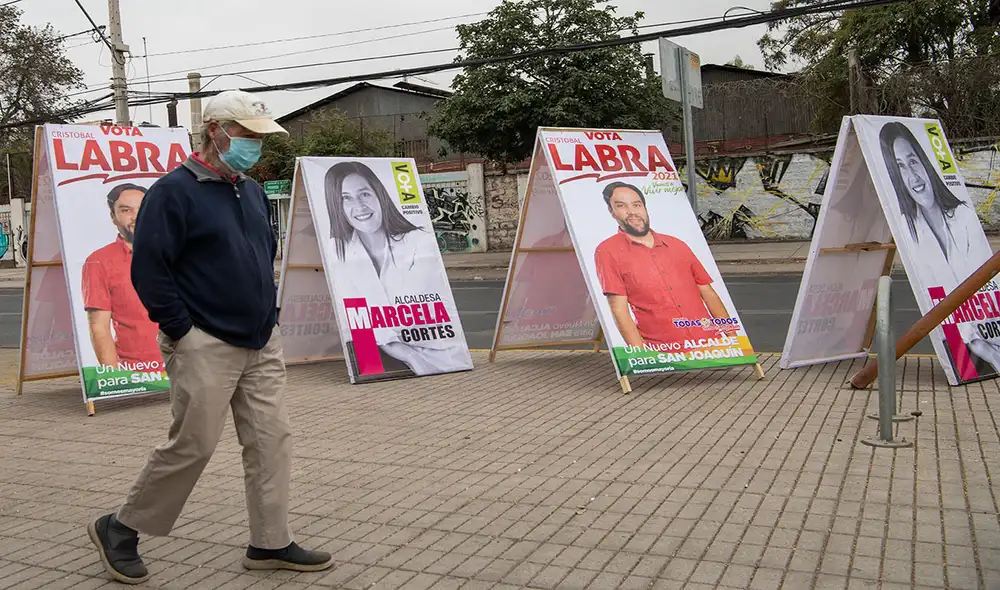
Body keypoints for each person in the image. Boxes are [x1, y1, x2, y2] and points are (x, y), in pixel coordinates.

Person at [86, 90, 333, 585]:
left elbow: (260, 257)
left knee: (270, 441)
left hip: (261, 339)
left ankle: (269, 543)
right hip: (204, 341)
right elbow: (151, 272)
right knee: (194, 444)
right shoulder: (172, 192)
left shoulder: (250, 189)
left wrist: (271, 314)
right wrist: (183, 330)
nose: (255, 146)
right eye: (247, 135)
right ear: (216, 131)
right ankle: (120, 527)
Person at [323, 161, 470, 376]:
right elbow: (358, 320)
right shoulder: (338, 251)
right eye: (346, 198)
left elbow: (417, 310)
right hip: (379, 353)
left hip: (441, 353)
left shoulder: (419, 243)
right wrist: (408, 356)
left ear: (379, 195)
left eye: (365, 194)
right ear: (337, 206)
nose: (359, 206)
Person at [879, 121, 1000, 374]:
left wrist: (980, 342)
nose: (913, 176)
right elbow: (936, 298)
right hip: (960, 341)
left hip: (989, 331)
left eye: (913, 161)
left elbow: (983, 289)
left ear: (925, 162)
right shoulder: (908, 230)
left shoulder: (963, 217)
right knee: (965, 361)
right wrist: (976, 343)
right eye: (900, 167)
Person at [594, 181, 735, 348]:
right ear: (612, 212)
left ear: (645, 208)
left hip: (711, 347)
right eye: (621, 206)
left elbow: (708, 294)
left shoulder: (677, 245)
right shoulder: (607, 251)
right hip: (664, 351)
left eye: (636, 205)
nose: (632, 212)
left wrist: (733, 339)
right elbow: (619, 310)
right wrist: (643, 356)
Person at [81, 183, 162, 369]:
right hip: (140, 376)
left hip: (188, 369)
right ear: (113, 217)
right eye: (126, 210)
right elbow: (99, 327)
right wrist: (115, 379)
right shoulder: (99, 261)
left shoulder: (177, 251)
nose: (136, 217)